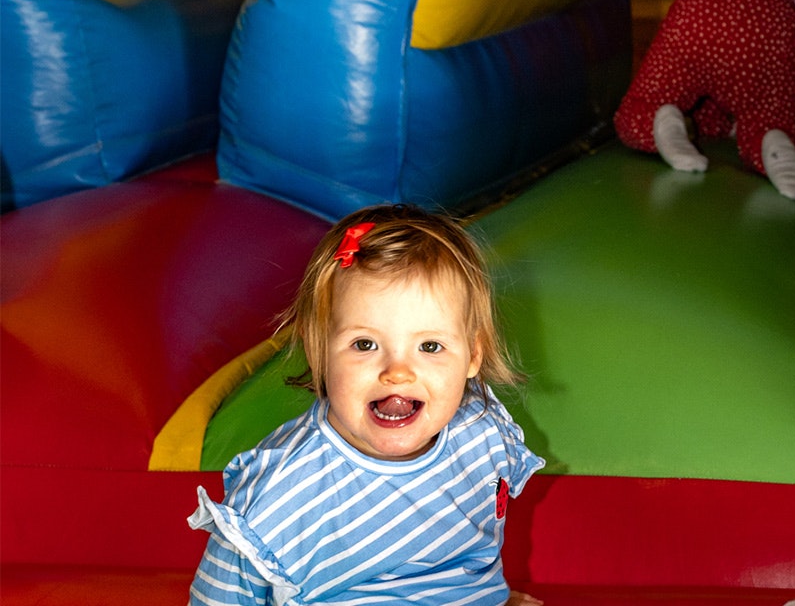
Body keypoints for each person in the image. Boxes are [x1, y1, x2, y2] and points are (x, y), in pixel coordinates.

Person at [187, 204, 545, 605]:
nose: (398, 372)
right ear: (318, 350)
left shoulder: (480, 433)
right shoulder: (286, 496)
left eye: (430, 346)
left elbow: (470, 548)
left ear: (472, 356)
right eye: (365, 344)